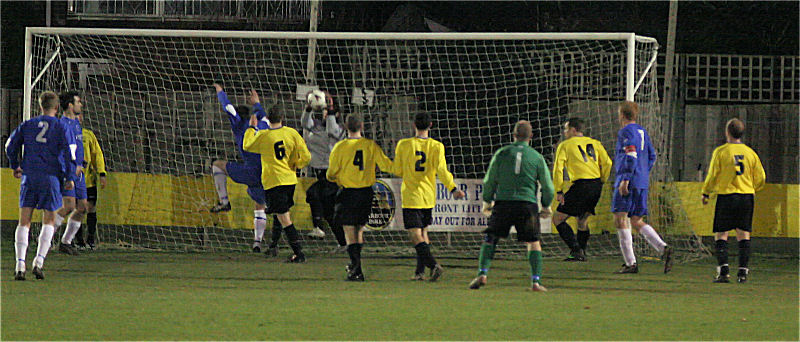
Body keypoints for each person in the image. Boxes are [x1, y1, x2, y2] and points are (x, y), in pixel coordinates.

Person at [469, 121, 554, 292]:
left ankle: (482, 273)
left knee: (491, 238)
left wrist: (487, 200)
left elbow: (489, 180)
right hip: (527, 205)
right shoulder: (536, 157)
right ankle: (535, 282)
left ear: (513, 135)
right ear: (531, 137)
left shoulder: (502, 153)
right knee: (533, 242)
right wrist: (545, 205)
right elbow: (548, 187)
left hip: (504, 203)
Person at [5, 91, 78, 280]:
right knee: (49, 220)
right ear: (56, 108)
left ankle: (20, 265)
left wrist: (15, 165)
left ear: (40, 107)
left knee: (24, 220)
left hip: (29, 176)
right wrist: (70, 176)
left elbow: (9, 146)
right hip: (51, 177)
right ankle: (38, 262)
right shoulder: (62, 126)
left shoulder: (28, 125)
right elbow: (71, 154)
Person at [391, 112, 465, 281]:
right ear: (430, 125)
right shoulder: (437, 146)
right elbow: (442, 171)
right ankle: (419, 272)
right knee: (424, 233)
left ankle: (433, 265)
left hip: (412, 195)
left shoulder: (404, 145)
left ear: (414, 125)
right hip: (428, 196)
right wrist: (453, 189)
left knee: (415, 234)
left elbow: (397, 170)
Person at [207, 84, 276, 253]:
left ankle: (224, 202)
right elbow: (263, 114)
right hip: (269, 173)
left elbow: (228, 107)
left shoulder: (239, 125)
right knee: (260, 204)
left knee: (217, 165)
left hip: (249, 172)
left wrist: (220, 91)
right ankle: (257, 243)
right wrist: (257, 103)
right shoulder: (265, 124)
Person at [327, 114, 393, 281]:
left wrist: (336, 178)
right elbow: (386, 165)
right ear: (362, 126)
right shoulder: (370, 146)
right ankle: (355, 267)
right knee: (359, 230)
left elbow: (331, 173)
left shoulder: (340, 147)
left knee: (349, 231)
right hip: (366, 192)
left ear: (345, 127)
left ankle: (356, 269)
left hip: (348, 192)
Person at [243, 106, 311, 263]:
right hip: (290, 181)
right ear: (282, 118)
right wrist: (296, 164)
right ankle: (274, 245)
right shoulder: (292, 133)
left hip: (274, 182)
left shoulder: (263, 136)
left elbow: (246, 145)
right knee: (280, 215)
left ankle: (298, 253)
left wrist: (251, 127)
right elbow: (306, 156)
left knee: (284, 218)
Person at [611, 101, 673, 274]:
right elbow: (652, 155)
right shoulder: (642, 131)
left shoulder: (626, 131)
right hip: (642, 182)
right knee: (636, 220)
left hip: (628, 181)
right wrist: (642, 172)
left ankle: (631, 263)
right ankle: (663, 248)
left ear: (622, 115)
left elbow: (630, 154)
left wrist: (626, 179)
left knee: (620, 218)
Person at [702, 118, 765, 283]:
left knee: (721, 234)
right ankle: (743, 273)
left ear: (727, 132)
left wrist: (706, 192)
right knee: (744, 234)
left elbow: (712, 175)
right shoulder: (750, 153)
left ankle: (724, 272)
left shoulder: (722, 152)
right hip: (746, 196)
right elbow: (761, 177)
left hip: (727, 196)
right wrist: (751, 188)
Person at [551, 118, 612, 261]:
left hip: (581, 186)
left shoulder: (565, 145)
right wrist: (602, 180)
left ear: (573, 130)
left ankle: (576, 250)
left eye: (566, 129)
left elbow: (558, 169)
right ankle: (581, 252)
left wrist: (559, 190)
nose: (565, 133)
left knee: (558, 219)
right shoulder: (595, 143)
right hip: (596, 185)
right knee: (582, 220)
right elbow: (608, 163)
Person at [301, 91, 348, 248]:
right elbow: (304, 123)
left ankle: (318, 228)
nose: (324, 114)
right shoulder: (314, 128)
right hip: (320, 175)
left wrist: (331, 108)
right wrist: (309, 108)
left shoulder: (339, 131)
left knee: (312, 193)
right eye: (323, 111)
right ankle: (344, 243)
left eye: (327, 112)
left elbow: (331, 128)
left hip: (332, 176)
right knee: (329, 215)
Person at [54, 91, 86, 256]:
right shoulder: (63, 124)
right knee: (69, 206)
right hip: (69, 171)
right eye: (78, 102)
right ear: (70, 105)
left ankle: (66, 242)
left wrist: (82, 162)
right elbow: (63, 150)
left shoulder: (76, 123)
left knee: (82, 207)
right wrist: (70, 168)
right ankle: (46, 235)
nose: (81, 105)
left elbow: (77, 146)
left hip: (79, 170)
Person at [73, 111, 107, 250]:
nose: (77, 118)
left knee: (90, 208)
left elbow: (97, 155)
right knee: (78, 209)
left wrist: (102, 173)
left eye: (79, 115)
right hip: (74, 179)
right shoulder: (65, 134)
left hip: (89, 180)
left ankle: (91, 238)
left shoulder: (88, 135)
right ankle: (78, 240)